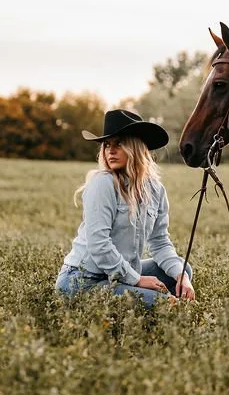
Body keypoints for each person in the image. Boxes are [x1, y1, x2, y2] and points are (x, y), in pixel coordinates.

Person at [55, 108, 195, 309]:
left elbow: (160, 242)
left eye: (119, 143)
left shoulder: (155, 190)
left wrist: (181, 277)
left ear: (136, 147)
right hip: (84, 280)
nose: (110, 150)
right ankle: (157, 310)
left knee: (182, 270)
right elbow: (99, 244)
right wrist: (137, 280)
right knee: (164, 306)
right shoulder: (103, 183)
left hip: (119, 276)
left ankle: (151, 305)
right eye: (107, 144)